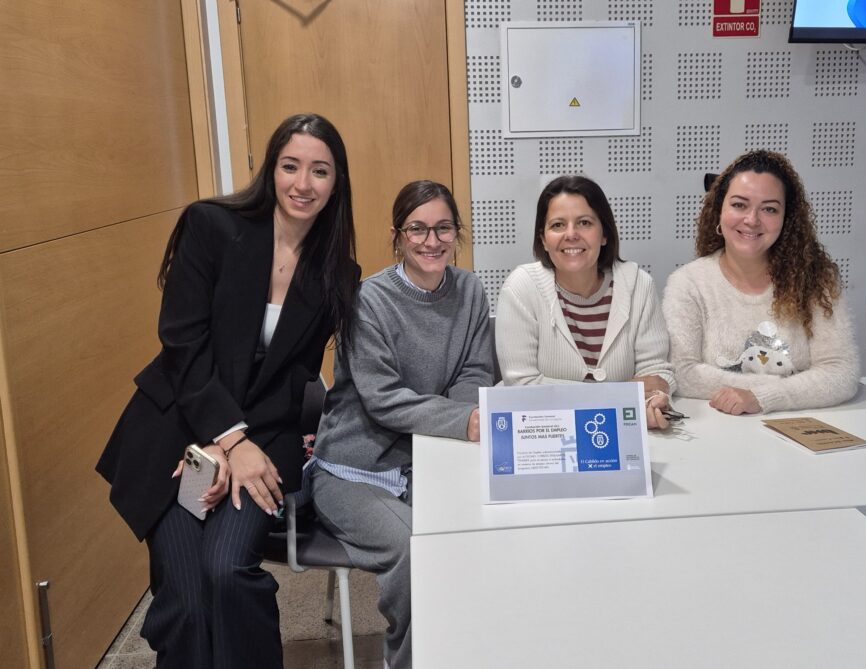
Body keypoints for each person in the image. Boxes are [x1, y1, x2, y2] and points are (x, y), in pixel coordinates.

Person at [96, 113, 360, 668]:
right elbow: (182, 345)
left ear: (337, 182)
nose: (303, 183)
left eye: (319, 171)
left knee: (227, 571)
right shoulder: (212, 226)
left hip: (263, 441)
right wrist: (224, 440)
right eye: (290, 166)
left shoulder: (337, 272)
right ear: (271, 169)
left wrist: (240, 445)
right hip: (177, 432)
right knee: (187, 595)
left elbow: (296, 378)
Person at [311, 180, 493, 669]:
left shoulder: (470, 290)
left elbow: (476, 372)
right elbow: (383, 400)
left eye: (443, 228)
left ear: (457, 233)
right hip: (354, 469)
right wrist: (463, 420)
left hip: (428, 461)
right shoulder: (367, 300)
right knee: (416, 550)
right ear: (397, 236)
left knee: (479, 537)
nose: (431, 241)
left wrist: (463, 420)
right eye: (417, 229)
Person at [662, 149, 859, 415]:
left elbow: (841, 371)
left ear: (786, 218)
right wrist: (784, 388)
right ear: (719, 210)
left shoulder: (816, 280)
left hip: (800, 423)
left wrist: (761, 397)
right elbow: (682, 373)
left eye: (769, 209)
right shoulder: (688, 283)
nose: (752, 220)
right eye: (739, 205)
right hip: (718, 427)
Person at [495, 175, 675, 429]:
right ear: (543, 239)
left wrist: (656, 398)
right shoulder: (521, 288)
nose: (571, 234)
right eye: (558, 225)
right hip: (546, 433)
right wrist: (618, 395)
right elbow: (521, 385)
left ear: (604, 234)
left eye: (584, 223)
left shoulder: (639, 285)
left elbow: (656, 373)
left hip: (624, 432)